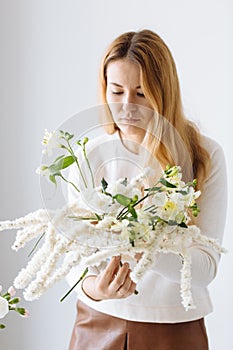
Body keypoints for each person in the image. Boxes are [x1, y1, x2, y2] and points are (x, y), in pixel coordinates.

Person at [67, 29, 227, 350]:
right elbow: (74, 262)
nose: (127, 106)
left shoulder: (203, 156)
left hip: (176, 329)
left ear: (164, 92)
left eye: (141, 93)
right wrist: (98, 289)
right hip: (98, 322)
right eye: (116, 91)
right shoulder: (89, 156)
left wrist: (143, 249)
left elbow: (206, 267)